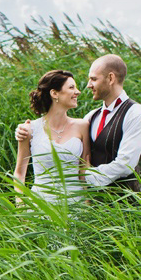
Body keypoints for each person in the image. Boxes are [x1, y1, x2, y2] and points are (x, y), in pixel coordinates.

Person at [17, 54, 141, 192]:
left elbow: (125, 164)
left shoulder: (136, 113)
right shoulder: (91, 117)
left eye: (93, 79)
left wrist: (86, 176)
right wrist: (24, 131)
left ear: (111, 78)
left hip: (125, 201)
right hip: (92, 201)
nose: (88, 85)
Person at [13, 69, 91, 205]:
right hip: (40, 204)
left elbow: (84, 169)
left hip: (75, 204)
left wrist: (87, 203)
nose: (77, 92)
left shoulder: (82, 126)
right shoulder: (29, 130)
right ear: (54, 93)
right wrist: (21, 205)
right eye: (71, 87)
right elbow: (19, 173)